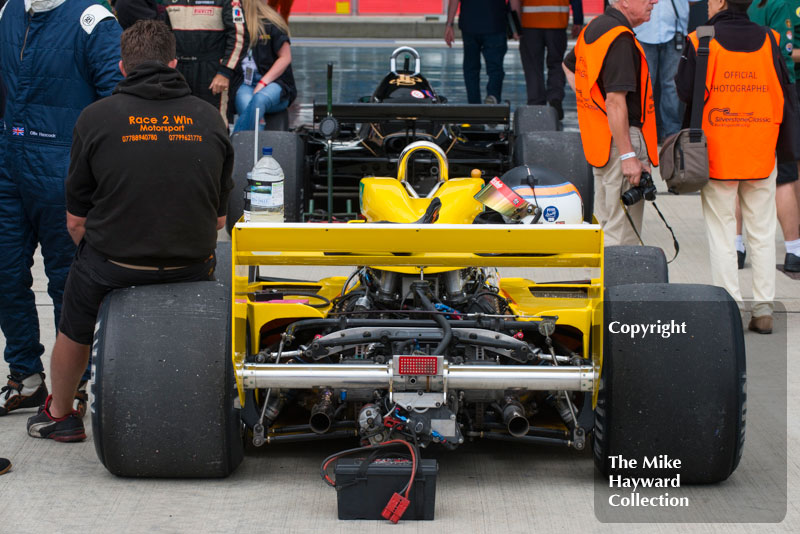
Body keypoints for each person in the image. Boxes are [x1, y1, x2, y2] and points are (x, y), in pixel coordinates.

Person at [26, 20, 234, 442]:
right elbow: (218, 221)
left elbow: (75, 220)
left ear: (122, 67)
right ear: (174, 63)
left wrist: (104, 253)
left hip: (115, 265)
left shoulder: (96, 118)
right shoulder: (209, 118)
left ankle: (62, 414)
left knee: (73, 323)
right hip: (192, 265)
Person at [0, 0, 122, 417]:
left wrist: (96, 172)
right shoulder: (10, 11)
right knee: (4, 272)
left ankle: (76, 385)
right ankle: (26, 375)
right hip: (8, 164)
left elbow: (115, 101)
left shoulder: (94, 20)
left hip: (63, 171)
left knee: (66, 284)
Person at [676, 0, 797, 334]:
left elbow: (684, 90)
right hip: (760, 149)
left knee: (723, 232)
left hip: (717, 153)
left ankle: (729, 309)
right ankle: (763, 310)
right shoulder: (770, 39)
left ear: (719, 3)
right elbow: (784, 91)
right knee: (761, 231)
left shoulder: (702, 40)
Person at [562, 0, 660, 246]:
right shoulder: (620, 39)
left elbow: (568, 64)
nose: (654, 1)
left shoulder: (595, 28)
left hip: (603, 141)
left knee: (605, 225)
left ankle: (600, 282)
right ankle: (616, 283)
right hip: (621, 141)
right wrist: (629, 156)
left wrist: (595, 105)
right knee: (622, 233)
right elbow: (616, 101)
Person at [736, 0, 800, 273]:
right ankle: (794, 249)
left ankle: (736, 247)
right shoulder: (780, 3)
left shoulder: (731, 5)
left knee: (734, 174)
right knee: (785, 174)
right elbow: (784, 55)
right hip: (774, 93)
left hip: (737, 92)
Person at [166, 0, 248, 124]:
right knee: (178, 123)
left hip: (212, 72)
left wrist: (225, 72)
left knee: (214, 122)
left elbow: (239, 36)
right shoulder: (168, 2)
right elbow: (164, 36)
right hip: (178, 69)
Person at [510, 0, 584, 120]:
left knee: (532, 66)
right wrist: (578, 20)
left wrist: (515, 25)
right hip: (557, 23)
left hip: (530, 23)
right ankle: (555, 98)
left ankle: (536, 103)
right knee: (557, 63)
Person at [232, 0, 296, 133]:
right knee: (247, 104)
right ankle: (252, 144)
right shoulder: (233, 25)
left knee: (259, 100)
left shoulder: (270, 24)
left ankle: (232, 147)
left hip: (276, 84)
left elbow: (286, 57)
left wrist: (263, 82)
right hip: (246, 84)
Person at [634, 0, 694, 140]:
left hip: (674, 30)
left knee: (672, 86)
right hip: (643, 31)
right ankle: (644, 131)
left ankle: (671, 134)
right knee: (645, 85)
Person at [445, 0, 509, 104]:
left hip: (470, 23)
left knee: (471, 69)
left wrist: (449, 24)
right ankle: (493, 96)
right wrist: (516, 25)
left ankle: (474, 104)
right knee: (495, 67)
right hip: (495, 23)